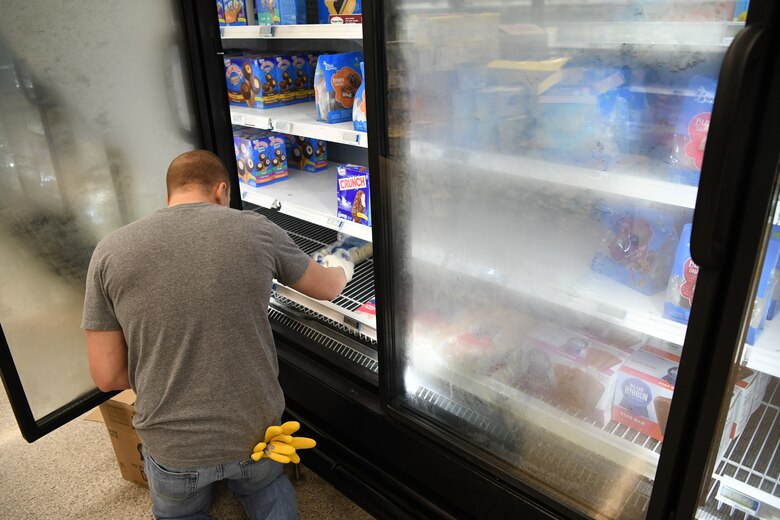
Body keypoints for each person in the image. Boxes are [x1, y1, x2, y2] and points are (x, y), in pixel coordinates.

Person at [82, 150, 353, 520]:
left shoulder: (109, 252)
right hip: (256, 436)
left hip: (172, 448)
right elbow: (328, 289)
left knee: (179, 513)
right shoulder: (257, 229)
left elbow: (107, 376)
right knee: (267, 487)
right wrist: (342, 265)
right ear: (222, 190)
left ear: (169, 196)